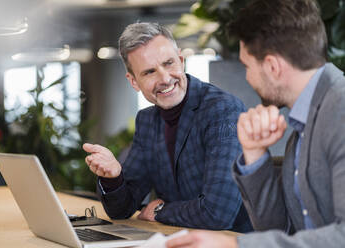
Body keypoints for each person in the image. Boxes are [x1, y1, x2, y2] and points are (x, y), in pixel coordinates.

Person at [166, 0, 345, 247]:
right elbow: (279, 229)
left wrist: (234, 245)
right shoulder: (304, 127)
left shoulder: (340, 110)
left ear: (272, 66)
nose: (247, 77)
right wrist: (255, 154)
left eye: (247, 66)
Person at [83, 22, 252, 232]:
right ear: (134, 81)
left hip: (230, 241)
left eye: (169, 63)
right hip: (177, 237)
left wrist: (160, 211)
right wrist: (113, 178)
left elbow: (217, 214)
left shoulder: (222, 110)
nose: (164, 78)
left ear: (181, 60)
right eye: (149, 72)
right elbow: (122, 209)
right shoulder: (147, 120)